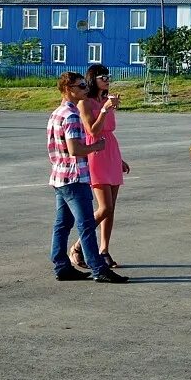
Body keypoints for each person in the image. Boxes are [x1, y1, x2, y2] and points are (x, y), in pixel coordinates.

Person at [47, 72, 128, 283]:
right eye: (80, 86)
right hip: (74, 176)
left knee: (62, 225)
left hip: (59, 176)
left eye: (84, 85)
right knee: (85, 225)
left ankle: (61, 266)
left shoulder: (57, 113)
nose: (85, 88)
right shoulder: (71, 115)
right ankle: (98, 268)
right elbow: (75, 149)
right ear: (68, 89)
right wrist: (95, 147)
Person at [68, 64, 130, 270]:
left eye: (109, 76)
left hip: (111, 151)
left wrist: (119, 160)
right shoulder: (85, 103)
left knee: (111, 210)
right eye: (103, 76)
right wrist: (104, 110)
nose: (107, 79)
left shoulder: (106, 100)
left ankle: (104, 250)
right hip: (96, 153)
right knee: (105, 207)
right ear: (93, 79)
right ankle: (77, 247)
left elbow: (109, 130)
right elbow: (92, 131)